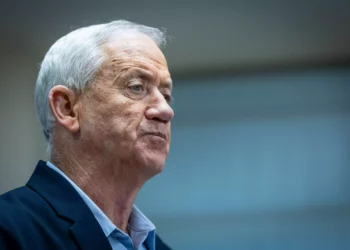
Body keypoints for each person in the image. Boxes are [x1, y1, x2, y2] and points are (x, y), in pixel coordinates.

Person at [0, 20, 174, 250]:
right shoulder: (9, 229)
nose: (165, 110)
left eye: (166, 94)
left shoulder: (158, 246)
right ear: (68, 109)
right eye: (136, 87)